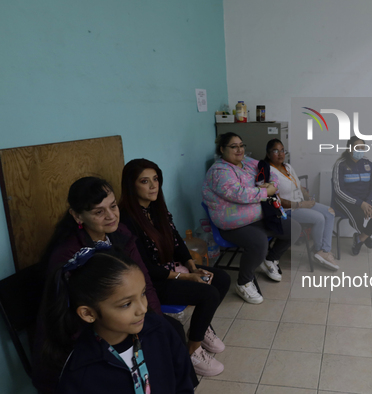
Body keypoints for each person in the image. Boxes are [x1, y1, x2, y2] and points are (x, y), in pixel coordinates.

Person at [32, 177, 196, 393]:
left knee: (167, 329)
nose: (111, 216)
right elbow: (70, 318)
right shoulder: (69, 257)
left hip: (117, 322)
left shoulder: (121, 235)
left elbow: (143, 280)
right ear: (77, 215)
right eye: (99, 212)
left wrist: (152, 323)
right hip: (91, 332)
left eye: (113, 206)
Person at [119, 158, 230, 377]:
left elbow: (176, 240)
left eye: (156, 179)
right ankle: (192, 349)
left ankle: (201, 326)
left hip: (172, 267)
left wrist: (192, 266)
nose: (153, 186)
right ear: (131, 185)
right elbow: (145, 269)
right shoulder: (127, 219)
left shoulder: (156, 209)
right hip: (152, 281)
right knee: (208, 294)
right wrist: (187, 278)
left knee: (222, 279)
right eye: (144, 181)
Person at [39, 246, 196, 393]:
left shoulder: (159, 329)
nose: (142, 309)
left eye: (142, 294)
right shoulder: (80, 372)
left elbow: (183, 380)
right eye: (126, 304)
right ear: (88, 313)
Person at [202, 132, 301, 304]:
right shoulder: (218, 171)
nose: (239, 149)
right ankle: (244, 283)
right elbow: (238, 194)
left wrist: (271, 186)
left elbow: (272, 174)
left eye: (241, 145)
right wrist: (266, 192)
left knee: (294, 228)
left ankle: (271, 258)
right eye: (234, 146)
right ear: (222, 149)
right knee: (259, 241)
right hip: (233, 225)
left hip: (259, 217)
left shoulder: (248, 163)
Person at [265, 138, 339, 270]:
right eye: (276, 151)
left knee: (329, 211)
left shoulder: (287, 167)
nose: (281, 154)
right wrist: (300, 205)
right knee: (319, 218)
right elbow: (276, 200)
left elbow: (298, 187)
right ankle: (318, 250)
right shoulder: (269, 172)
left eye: (282, 150)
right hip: (288, 210)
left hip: (301, 203)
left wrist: (308, 197)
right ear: (268, 153)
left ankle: (324, 251)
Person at [332, 136, 372, 255]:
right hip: (345, 200)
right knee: (357, 216)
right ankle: (365, 237)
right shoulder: (340, 164)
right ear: (349, 149)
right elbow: (338, 189)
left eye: (362, 147)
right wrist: (360, 204)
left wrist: (368, 202)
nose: (360, 150)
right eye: (357, 147)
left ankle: (361, 238)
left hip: (366, 199)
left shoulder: (368, 163)